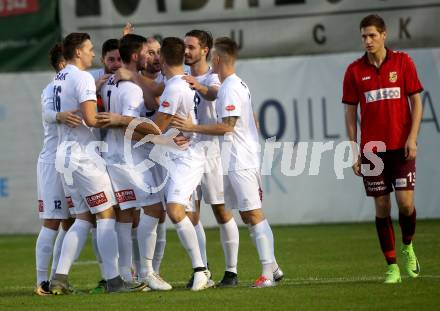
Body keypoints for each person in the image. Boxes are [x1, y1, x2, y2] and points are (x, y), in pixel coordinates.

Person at [172, 37, 281, 288]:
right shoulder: (230, 84)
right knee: (246, 214)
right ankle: (273, 268)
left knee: (253, 214)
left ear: (217, 58)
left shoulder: (230, 87)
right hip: (235, 158)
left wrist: (192, 127)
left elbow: (227, 127)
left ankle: (267, 273)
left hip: (241, 159)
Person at [49, 32, 146, 294]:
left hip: (64, 155)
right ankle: (114, 280)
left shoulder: (58, 78)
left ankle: (59, 277)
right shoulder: (82, 78)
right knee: (106, 215)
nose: (92, 54)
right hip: (83, 156)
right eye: (89, 49)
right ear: (78, 52)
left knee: (83, 218)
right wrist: (116, 118)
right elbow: (91, 120)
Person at [342, 14, 423, 283]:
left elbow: (417, 103)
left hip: (401, 147)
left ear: (384, 35)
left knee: (405, 203)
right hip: (372, 150)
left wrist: (412, 138)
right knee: (381, 206)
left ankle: (408, 246)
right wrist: (355, 151)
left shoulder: (403, 62)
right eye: (364, 36)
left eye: (372, 35)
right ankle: (392, 267)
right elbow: (350, 115)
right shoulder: (354, 71)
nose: (367, 40)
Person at [100, 33, 172, 291]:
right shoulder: (131, 88)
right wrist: (159, 137)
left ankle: (126, 275)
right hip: (130, 159)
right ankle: (147, 272)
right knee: (155, 210)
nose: (151, 56)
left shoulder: (109, 80)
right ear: (135, 56)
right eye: (146, 52)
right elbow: (127, 125)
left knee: (126, 214)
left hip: (113, 157)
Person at [183, 29, 240, 287]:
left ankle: (232, 271)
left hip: (213, 151)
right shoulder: (177, 77)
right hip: (186, 152)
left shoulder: (214, 76)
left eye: (191, 47)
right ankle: (202, 270)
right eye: (185, 46)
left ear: (205, 50)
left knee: (220, 210)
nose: (187, 51)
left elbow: (213, 94)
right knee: (190, 214)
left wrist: (198, 85)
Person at [34, 43, 80, 296]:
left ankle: (55, 279)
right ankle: (42, 282)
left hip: (69, 160)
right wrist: (60, 116)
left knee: (71, 220)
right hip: (52, 161)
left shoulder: (73, 83)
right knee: (52, 221)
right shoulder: (52, 87)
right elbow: (48, 112)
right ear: (63, 64)